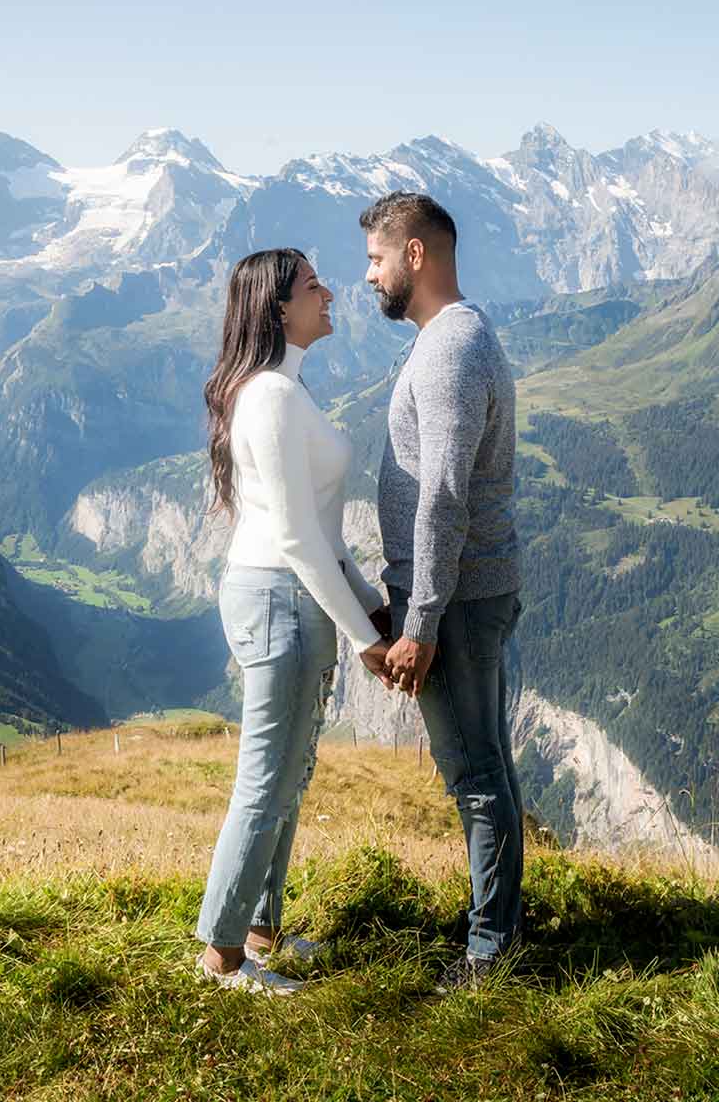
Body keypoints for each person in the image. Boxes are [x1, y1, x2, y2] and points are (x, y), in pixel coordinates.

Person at [193, 247, 395, 996]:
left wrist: (367, 598)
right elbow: (296, 538)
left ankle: (259, 932)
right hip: (279, 596)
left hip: (293, 594)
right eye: (314, 285)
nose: (331, 291)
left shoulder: (281, 390)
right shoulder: (273, 399)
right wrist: (368, 639)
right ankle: (220, 957)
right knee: (266, 779)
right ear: (279, 308)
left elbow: (319, 531)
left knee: (290, 775)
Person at [362, 191, 524, 992]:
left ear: (415, 255)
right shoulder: (451, 339)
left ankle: (490, 954)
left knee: (475, 774)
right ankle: (499, 931)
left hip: (455, 603)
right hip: (456, 595)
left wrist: (420, 618)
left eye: (377, 259)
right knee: (485, 763)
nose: (370, 277)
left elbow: (445, 494)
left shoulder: (452, 349)